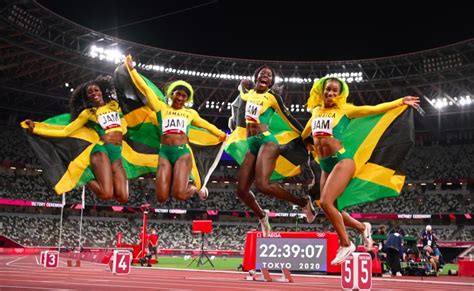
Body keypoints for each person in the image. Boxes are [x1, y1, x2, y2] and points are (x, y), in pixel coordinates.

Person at [302, 77, 420, 265]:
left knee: (326, 201)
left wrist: (400, 102)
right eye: (328, 90)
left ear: (340, 94)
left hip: (342, 161)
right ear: (321, 90)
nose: (331, 93)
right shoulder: (316, 111)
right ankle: (361, 227)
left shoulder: (345, 110)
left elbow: (374, 109)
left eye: (335, 90)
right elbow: (305, 132)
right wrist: (306, 142)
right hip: (325, 165)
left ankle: (346, 244)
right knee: (329, 207)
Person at [125, 56, 226, 203]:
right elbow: (145, 90)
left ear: (187, 99)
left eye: (184, 96)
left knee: (179, 195)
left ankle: (196, 187)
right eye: (178, 93)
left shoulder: (190, 113)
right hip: (164, 153)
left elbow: (206, 125)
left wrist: (221, 134)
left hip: (182, 154)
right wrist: (132, 70)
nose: (180, 97)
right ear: (172, 94)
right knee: (161, 198)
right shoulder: (161, 108)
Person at [229, 66, 316, 237]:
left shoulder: (273, 97)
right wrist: (241, 85)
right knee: (241, 191)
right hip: (251, 144)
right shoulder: (250, 95)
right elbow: (242, 93)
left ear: (271, 82)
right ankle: (263, 217)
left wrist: (306, 138)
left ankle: (303, 203)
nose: (265, 76)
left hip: (267, 141)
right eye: (262, 73)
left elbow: (288, 118)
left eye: (269, 75)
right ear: (256, 78)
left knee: (263, 185)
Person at [24, 75, 128, 203]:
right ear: (87, 97)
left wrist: (129, 70)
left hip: (117, 154)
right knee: (106, 195)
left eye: (96, 90)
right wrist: (36, 129)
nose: (94, 93)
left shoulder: (114, 106)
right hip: (102, 151)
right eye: (90, 92)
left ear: (102, 91)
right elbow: (65, 131)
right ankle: (85, 175)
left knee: (123, 198)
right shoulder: (88, 113)